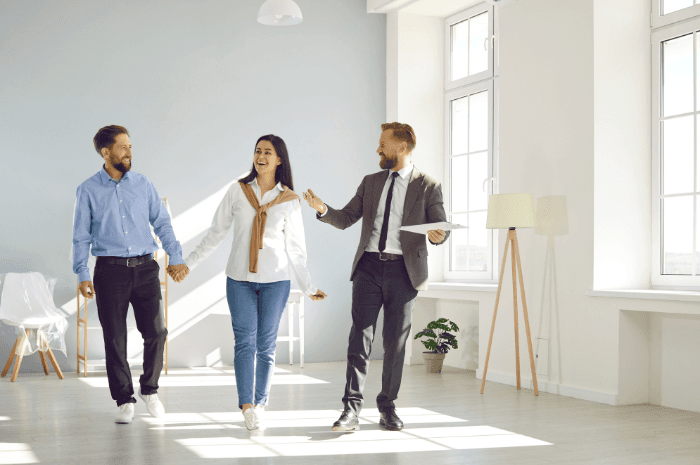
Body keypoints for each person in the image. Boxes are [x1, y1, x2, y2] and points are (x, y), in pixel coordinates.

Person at [172, 134, 326, 431]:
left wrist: (308, 287)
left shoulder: (290, 200)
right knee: (244, 343)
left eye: (268, 152)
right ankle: (246, 408)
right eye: (257, 151)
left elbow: (296, 249)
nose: (261, 156)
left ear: (279, 159)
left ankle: (261, 404)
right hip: (239, 279)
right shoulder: (238, 191)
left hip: (275, 281)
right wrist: (188, 264)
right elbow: (215, 234)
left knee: (266, 346)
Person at [302, 122, 449, 432]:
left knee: (395, 344)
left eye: (384, 143)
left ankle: (387, 407)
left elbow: (439, 229)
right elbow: (345, 218)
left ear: (403, 147)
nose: (378, 149)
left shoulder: (428, 186)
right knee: (359, 339)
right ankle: (351, 410)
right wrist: (322, 208)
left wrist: (438, 236)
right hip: (369, 267)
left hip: (404, 272)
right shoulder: (370, 182)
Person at [73, 125, 188, 424]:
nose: (129, 152)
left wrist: (176, 257)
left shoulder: (143, 185)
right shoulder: (87, 190)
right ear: (106, 152)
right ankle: (124, 399)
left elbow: (163, 224)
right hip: (109, 272)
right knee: (115, 338)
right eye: (123, 147)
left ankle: (150, 390)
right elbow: (80, 237)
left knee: (157, 332)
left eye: (130, 146)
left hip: (146, 268)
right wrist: (82, 273)